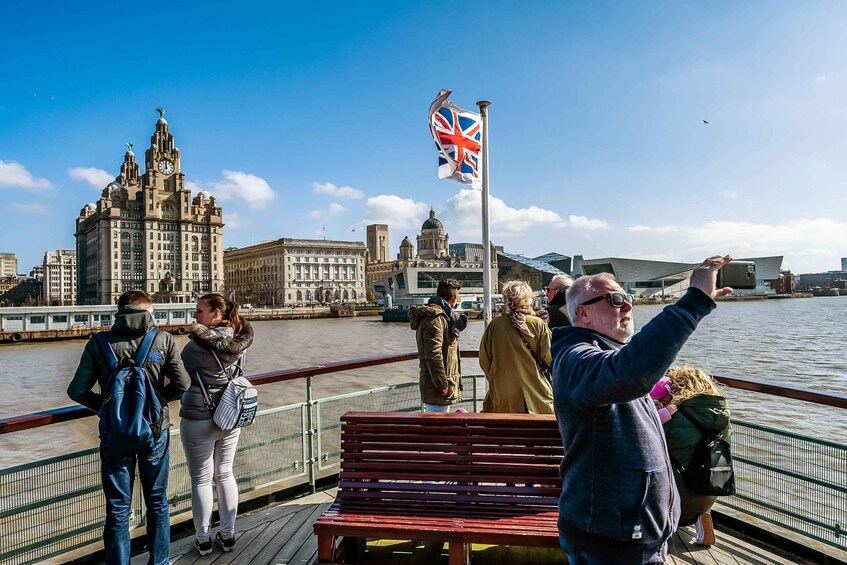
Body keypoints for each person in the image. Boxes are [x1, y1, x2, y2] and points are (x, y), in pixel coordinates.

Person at [551, 255, 733, 564]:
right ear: (582, 313)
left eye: (628, 298)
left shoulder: (606, 354)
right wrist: (694, 302)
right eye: (616, 299)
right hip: (611, 540)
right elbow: (631, 371)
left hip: (634, 534)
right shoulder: (575, 358)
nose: (627, 306)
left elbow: (630, 370)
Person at [67, 290, 190, 565]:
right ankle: (159, 562)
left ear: (120, 311)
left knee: (118, 507)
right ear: (147, 312)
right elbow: (184, 385)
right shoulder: (162, 339)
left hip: (115, 434)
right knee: (157, 501)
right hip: (155, 433)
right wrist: (157, 403)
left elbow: (76, 390)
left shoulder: (98, 342)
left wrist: (105, 407)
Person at [179, 294, 254, 555]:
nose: (195, 316)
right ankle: (228, 535)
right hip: (230, 413)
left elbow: (178, 377)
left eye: (199, 311)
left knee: (201, 479)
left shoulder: (194, 348)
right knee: (225, 473)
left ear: (214, 314)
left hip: (199, 416)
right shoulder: (239, 341)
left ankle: (203, 539)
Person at [660, 366, 731, 547]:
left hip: (672, 503)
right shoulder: (723, 418)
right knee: (700, 466)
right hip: (709, 493)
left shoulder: (674, 416)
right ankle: (704, 520)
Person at [480, 280, 553, 414]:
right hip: (535, 390)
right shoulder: (538, 324)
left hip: (503, 392)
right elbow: (549, 357)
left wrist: (496, 376)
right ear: (528, 299)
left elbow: (484, 360)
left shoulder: (494, 325)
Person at [409, 278, 468, 412]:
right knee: (437, 425)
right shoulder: (436, 319)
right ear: (453, 299)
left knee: (439, 425)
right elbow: (433, 354)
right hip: (437, 388)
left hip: (440, 384)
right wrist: (442, 385)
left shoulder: (442, 317)